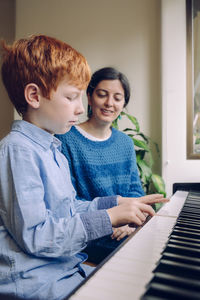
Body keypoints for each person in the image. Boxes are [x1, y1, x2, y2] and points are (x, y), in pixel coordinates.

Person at [0, 35, 168, 300]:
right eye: (72, 97)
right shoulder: (18, 150)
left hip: (65, 268)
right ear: (34, 95)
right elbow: (37, 236)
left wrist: (117, 203)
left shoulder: (51, 148)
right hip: (37, 282)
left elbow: (69, 208)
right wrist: (110, 218)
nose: (81, 108)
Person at [55, 67, 146, 263]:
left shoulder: (125, 143)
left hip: (124, 231)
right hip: (89, 236)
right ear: (89, 96)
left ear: (124, 103)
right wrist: (110, 221)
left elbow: (135, 191)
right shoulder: (66, 139)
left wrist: (129, 224)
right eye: (102, 94)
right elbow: (68, 202)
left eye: (117, 98)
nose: (109, 103)